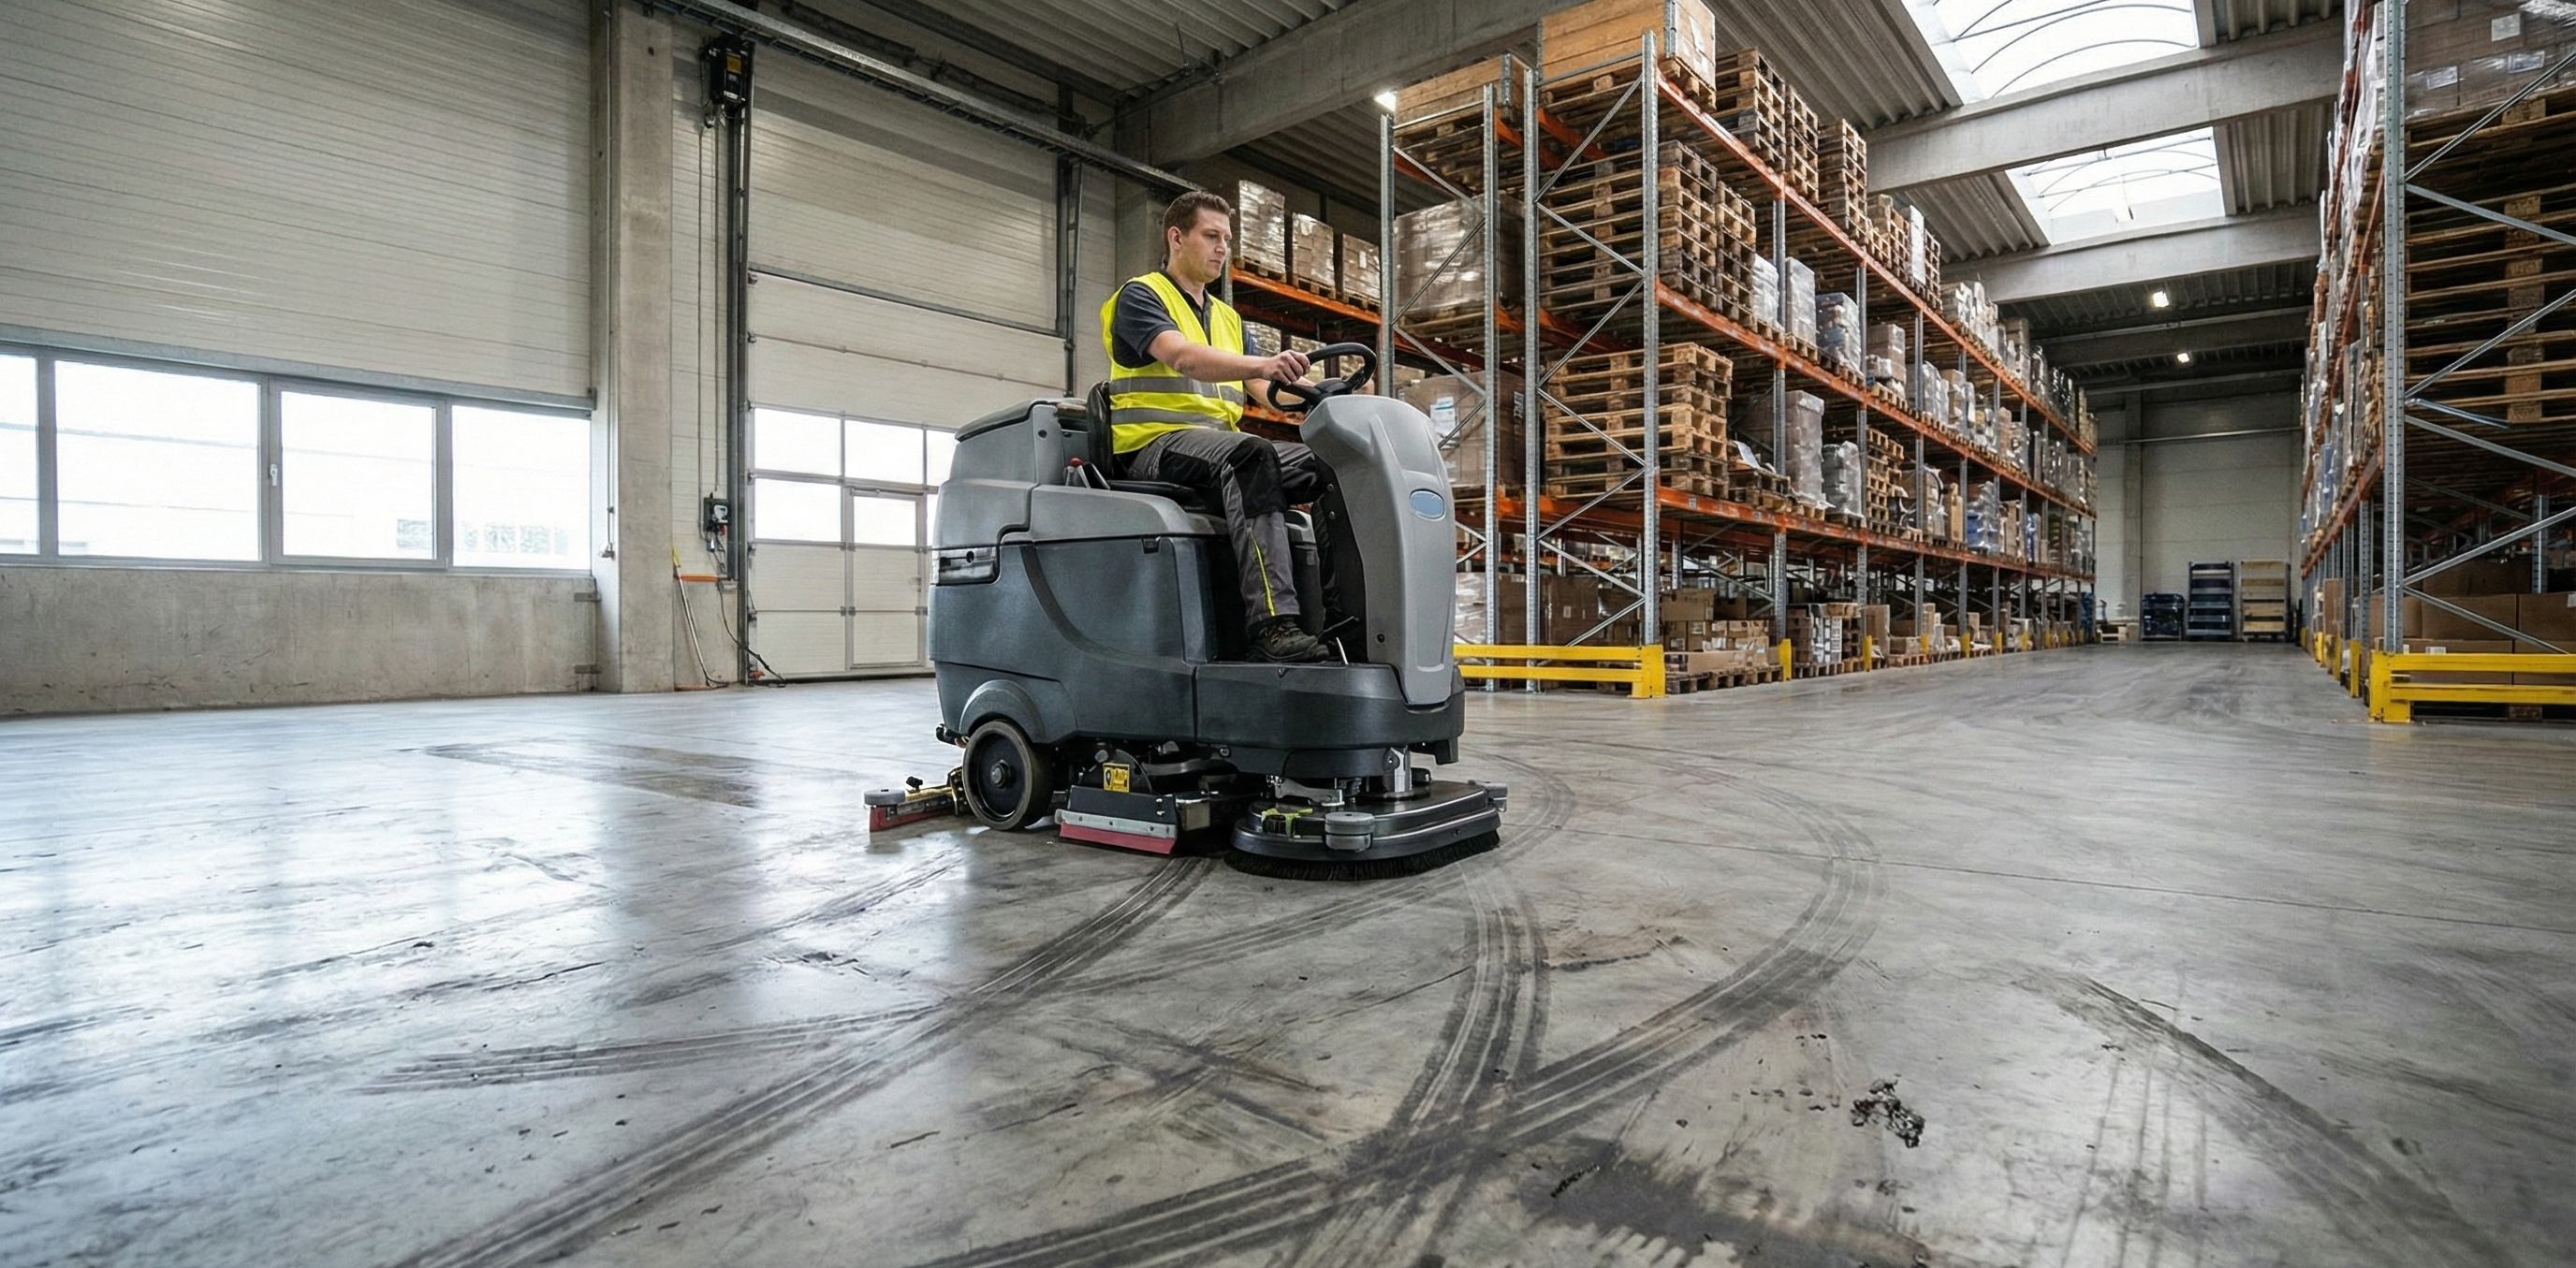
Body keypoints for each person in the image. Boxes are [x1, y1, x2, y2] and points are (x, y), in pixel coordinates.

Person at [1099, 190, 1342, 663]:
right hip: (1153, 449)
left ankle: (1341, 621)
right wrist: (1266, 364)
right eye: (1211, 236)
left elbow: (1265, 387)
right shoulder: (1141, 295)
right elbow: (1181, 356)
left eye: (1227, 239)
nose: (1222, 248)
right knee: (1251, 453)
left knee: (1333, 464)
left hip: (1214, 452)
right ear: (1176, 238)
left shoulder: (1228, 318)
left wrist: (1324, 393)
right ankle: (1272, 626)